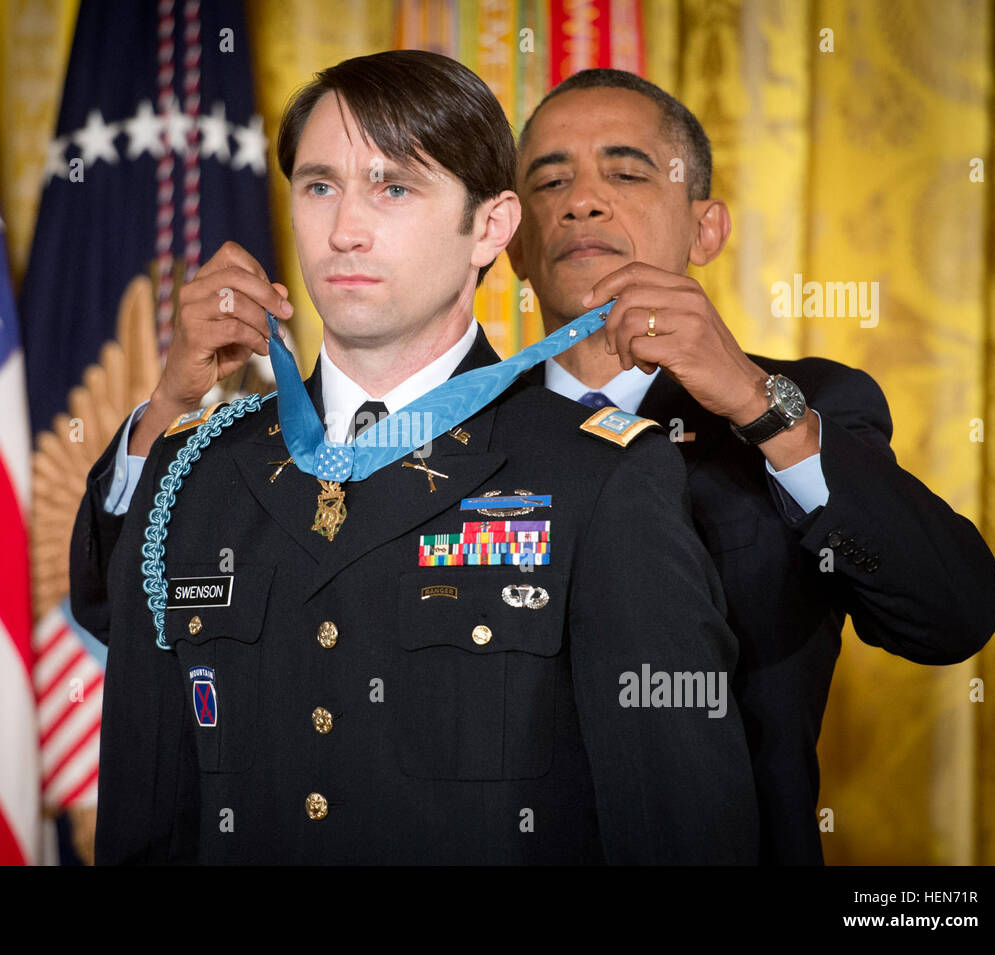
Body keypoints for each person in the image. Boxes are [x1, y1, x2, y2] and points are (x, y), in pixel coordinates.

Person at [69, 50, 759, 864]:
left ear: (492, 227)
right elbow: (144, 823)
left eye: (393, 186)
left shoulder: (600, 477)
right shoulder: (193, 470)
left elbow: (681, 832)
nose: (345, 228)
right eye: (321, 186)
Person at [505, 69, 995, 863]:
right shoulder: (453, 434)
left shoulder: (809, 405)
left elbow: (954, 615)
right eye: (551, 180)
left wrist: (756, 402)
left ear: (706, 231)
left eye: (628, 173)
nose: (583, 200)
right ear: (512, 243)